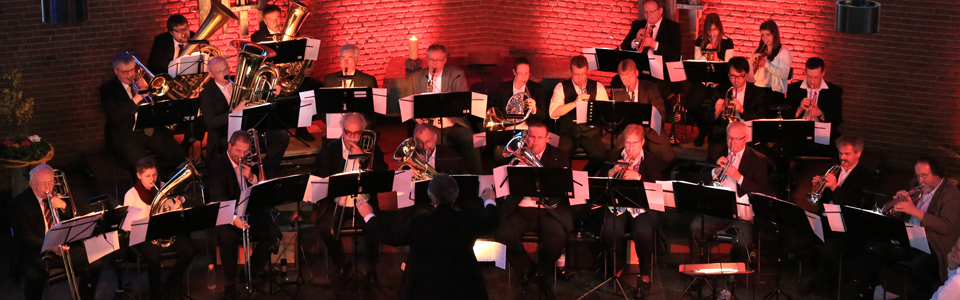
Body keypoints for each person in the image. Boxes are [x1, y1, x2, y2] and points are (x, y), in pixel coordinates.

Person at [357, 174, 499, 300]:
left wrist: (368, 216)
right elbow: (492, 222)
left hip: (423, 288)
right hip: (463, 286)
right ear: (456, 195)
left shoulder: (419, 222)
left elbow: (391, 238)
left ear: (431, 196)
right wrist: (490, 200)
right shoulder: (467, 218)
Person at [858, 157, 960, 300]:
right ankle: (867, 293)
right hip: (909, 239)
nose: (920, 180)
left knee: (918, 265)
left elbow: (947, 227)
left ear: (938, 175)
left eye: (924, 175)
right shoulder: (915, 184)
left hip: (933, 245)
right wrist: (899, 205)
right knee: (873, 248)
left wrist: (914, 211)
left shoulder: (951, 194)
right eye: (917, 175)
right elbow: (900, 216)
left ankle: (923, 297)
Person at [690, 121, 771, 297]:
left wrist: (739, 177)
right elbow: (701, 178)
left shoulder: (758, 159)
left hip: (741, 213)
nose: (732, 143)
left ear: (746, 138)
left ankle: (731, 275)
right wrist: (714, 173)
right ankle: (698, 275)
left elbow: (762, 189)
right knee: (696, 227)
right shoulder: (717, 152)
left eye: (737, 139)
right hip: (718, 210)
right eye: (729, 138)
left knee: (742, 241)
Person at [493, 120, 571, 299]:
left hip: (547, 210)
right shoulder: (515, 159)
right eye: (531, 137)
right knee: (502, 234)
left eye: (539, 137)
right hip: (521, 209)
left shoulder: (560, 156)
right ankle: (530, 270)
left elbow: (564, 190)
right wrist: (515, 173)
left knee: (556, 239)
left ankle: (538, 274)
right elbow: (501, 188)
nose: (534, 141)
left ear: (547, 138)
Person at [311, 113, 388, 284]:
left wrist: (364, 158)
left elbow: (383, 172)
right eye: (348, 132)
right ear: (342, 130)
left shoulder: (371, 148)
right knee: (325, 228)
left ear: (363, 132)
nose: (352, 137)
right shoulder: (330, 149)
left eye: (357, 133)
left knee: (373, 225)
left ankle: (371, 267)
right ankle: (342, 263)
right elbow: (319, 175)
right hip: (338, 201)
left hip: (363, 200)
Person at [7, 164, 102, 300]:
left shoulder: (60, 195)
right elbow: (24, 236)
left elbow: (81, 218)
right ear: (31, 184)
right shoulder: (19, 204)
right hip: (38, 250)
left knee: (95, 264)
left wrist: (64, 206)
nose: (48, 188)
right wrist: (50, 246)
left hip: (65, 247)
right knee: (34, 275)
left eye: (51, 182)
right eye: (43, 184)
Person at [208, 131, 281, 300]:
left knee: (273, 233)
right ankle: (230, 283)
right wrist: (235, 220)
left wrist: (252, 177)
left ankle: (252, 270)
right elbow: (219, 200)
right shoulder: (217, 167)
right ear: (230, 146)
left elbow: (263, 190)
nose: (241, 156)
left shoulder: (250, 162)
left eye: (245, 152)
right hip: (228, 215)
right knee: (228, 237)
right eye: (238, 151)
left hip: (250, 211)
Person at [596, 124, 666, 298]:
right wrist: (611, 172)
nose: (630, 148)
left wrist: (639, 178)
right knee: (610, 231)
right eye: (627, 143)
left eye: (634, 143)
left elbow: (659, 190)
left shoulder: (653, 160)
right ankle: (616, 273)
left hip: (641, 208)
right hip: (618, 205)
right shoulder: (614, 155)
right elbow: (599, 184)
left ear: (642, 142)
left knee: (643, 233)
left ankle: (645, 274)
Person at [198, 56, 289, 175]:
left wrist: (272, 91)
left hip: (247, 129)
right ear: (211, 74)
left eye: (226, 69)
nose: (225, 73)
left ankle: (266, 172)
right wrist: (234, 113)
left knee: (282, 137)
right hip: (224, 136)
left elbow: (258, 97)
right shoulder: (207, 93)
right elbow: (211, 124)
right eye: (220, 71)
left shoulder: (239, 82)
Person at [122, 157, 195, 300]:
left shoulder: (162, 187)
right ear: (139, 175)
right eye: (148, 176)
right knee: (153, 256)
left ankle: (169, 285)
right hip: (143, 236)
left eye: (154, 175)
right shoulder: (131, 195)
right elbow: (129, 225)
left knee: (189, 249)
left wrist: (177, 204)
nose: (152, 180)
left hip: (164, 231)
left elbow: (169, 208)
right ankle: (156, 294)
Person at [101, 52, 185, 175]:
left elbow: (159, 106)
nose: (130, 75)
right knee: (141, 165)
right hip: (127, 134)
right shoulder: (108, 90)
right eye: (125, 72)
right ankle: (148, 181)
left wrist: (150, 91)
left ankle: (160, 175)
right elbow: (115, 117)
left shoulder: (143, 82)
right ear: (116, 71)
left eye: (132, 70)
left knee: (176, 153)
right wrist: (137, 98)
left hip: (149, 130)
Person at [408, 44, 481, 174]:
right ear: (427, 58)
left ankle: (477, 176)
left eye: (439, 60)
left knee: (471, 138)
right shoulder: (416, 78)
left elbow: (464, 102)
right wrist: (416, 116)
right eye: (431, 60)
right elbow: (408, 105)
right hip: (430, 126)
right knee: (427, 143)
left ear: (445, 60)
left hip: (454, 123)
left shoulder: (456, 74)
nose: (435, 63)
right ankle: (429, 176)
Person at [548, 55, 609, 175]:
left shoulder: (598, 87)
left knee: (601, 157)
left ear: (587, 71)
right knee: (561, 158)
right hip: (569, 132)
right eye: (576, 74)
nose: (580, 78)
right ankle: (568, 181)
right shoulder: (561, 87)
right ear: (571, 72)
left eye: (583, 74)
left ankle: (586, 175)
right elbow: (553, 113)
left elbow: (605, 112)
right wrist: (574, 103)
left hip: (590, 132)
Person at [615, 59, 675, 166]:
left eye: (630, 77)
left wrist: (642, 123)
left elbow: (660, 114)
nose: (627, 82)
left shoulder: (650, 88)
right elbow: (616, 121)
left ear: (637, 73)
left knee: (668, 158)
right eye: (624, 79)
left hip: (651, 135)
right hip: (629, 137)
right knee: (614, 157)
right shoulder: (619, 93)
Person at [688, 13, 735, 146]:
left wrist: (715, 56)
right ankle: (703, 130)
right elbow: (697, 62)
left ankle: (713, 135)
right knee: (691, 105)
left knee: (715, 106)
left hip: (721, 82)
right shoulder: (700, 41)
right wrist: (705, 54)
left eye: (714, 30)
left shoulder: (727, 42)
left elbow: (728, 65)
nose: (712, 33)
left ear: (719, 29)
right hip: (704, 81)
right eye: (709, 30)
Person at [707, 57, 767, 158]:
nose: (736, 80)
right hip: (724, 135)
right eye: (732, 76)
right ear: (728, 75)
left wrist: (742, 110)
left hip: (747, 136)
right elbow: (706, 116)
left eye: (740, 77)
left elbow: (761, 116)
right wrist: (716, 112)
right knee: (714, 156)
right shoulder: (720, 90)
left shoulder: (757, 92)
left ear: (746, 75)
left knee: (760, 158)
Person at [787, 57, 843, 148]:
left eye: (816, 77)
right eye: (809, 76)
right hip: (798, 137)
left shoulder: (834, 91)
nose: (812, 81)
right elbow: (784, 115)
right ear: (805, 71)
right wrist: (799, 109)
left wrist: (820, 113)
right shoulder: (793, 89)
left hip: (824, 137)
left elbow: (838, 119)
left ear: (822, 74)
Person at [322, 44, 380, 133]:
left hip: (359, 126)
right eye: (343, 58)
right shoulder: (329, 79)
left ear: (356, 60)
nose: (346, 62)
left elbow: (374, 111)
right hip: (336, 125)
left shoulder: (368, 80)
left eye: (350, 58)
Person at [490, 57, 546, 128]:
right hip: (508, 126)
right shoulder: (503, 87)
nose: (524, 77)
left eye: (526, 73)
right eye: (521, 74)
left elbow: (543, 116)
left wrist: (534, 108)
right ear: (514, 72)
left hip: (528, 127)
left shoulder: (537, 88)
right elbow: (496, 111)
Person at [750, 20, 792, 114]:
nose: (765, 38)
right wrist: (752, 62)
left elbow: (784, 75)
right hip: (757, 88)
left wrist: (766, 65)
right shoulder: (757, 50)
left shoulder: (784, 52)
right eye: (763, 35)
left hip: (774, 92)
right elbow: (749, 75)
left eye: (768, 35)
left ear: (774, 35)